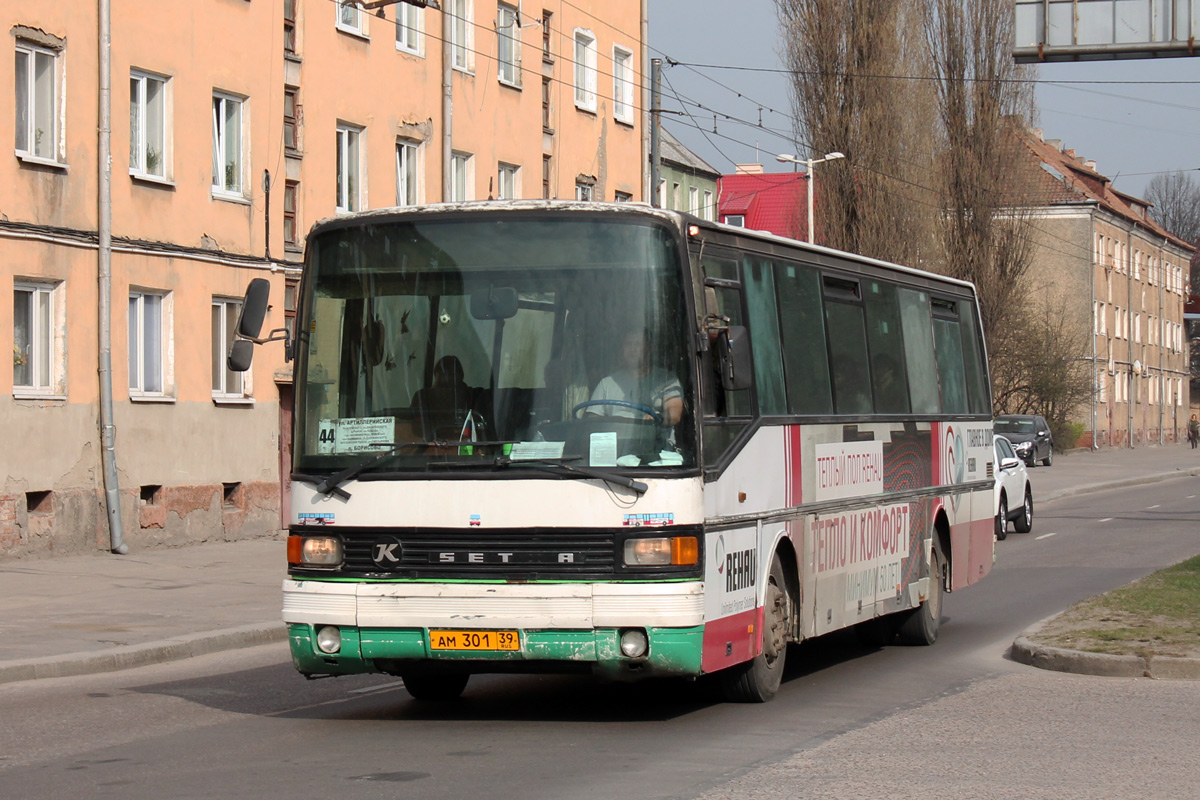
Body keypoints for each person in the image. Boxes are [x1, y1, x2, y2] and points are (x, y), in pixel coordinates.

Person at [587, 329, 683, 427]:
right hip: (615, 440)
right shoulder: (607, 383)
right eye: (628, 344)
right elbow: (593, 423)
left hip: (656, 440)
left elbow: (674, 414)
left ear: (649, 348)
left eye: (638, 344)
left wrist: (658, 418)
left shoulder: (666, 380)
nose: (632, 349)